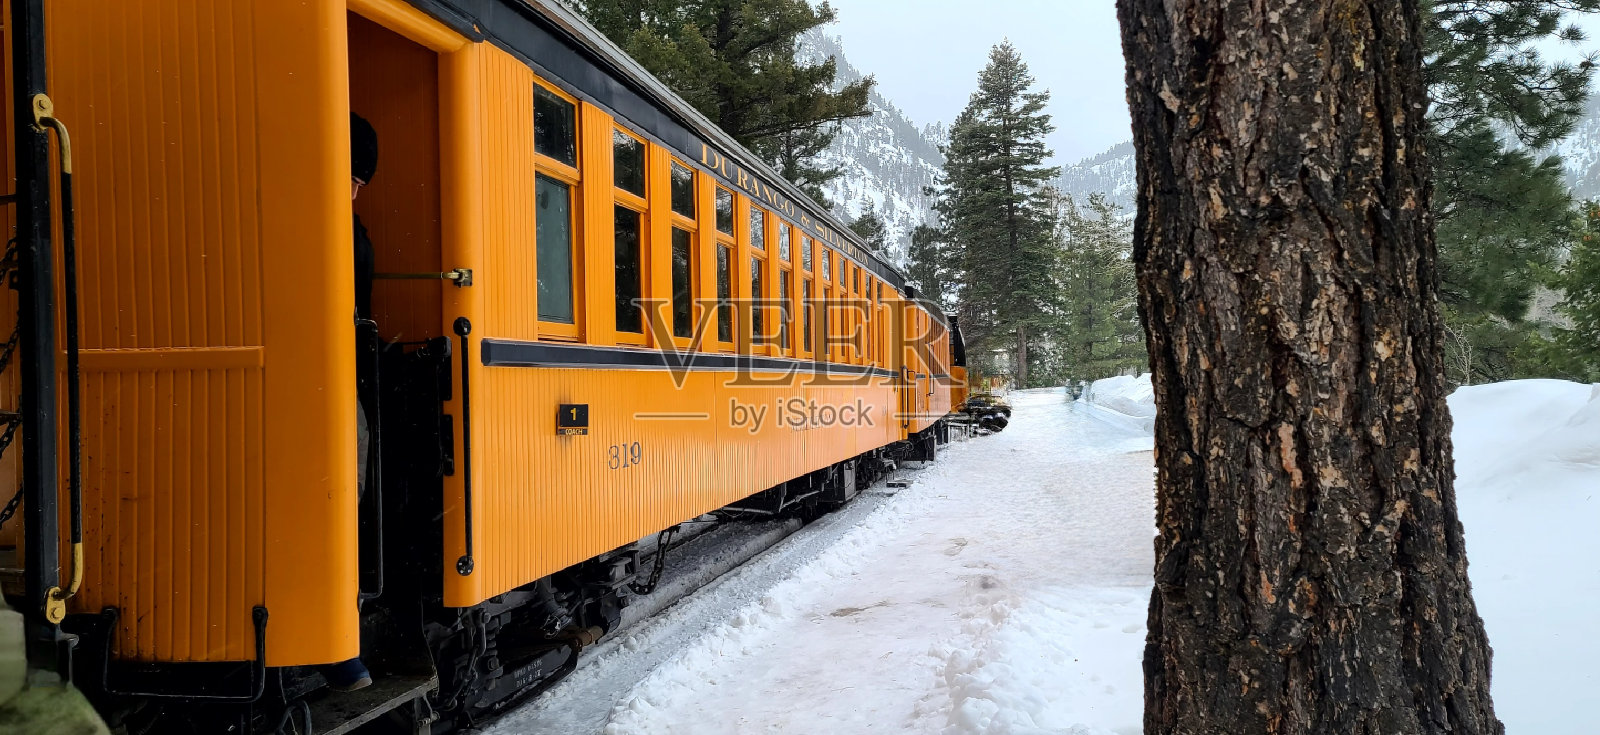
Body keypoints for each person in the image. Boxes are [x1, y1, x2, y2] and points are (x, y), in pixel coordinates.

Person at [323, 112, 379, 693]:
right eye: (356, 176)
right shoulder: (336, 226)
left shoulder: (345, 224)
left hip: (338, 377)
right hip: (329, 383)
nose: (358, 190)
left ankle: (340, 628)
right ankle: (337, 635)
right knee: (344, 494)